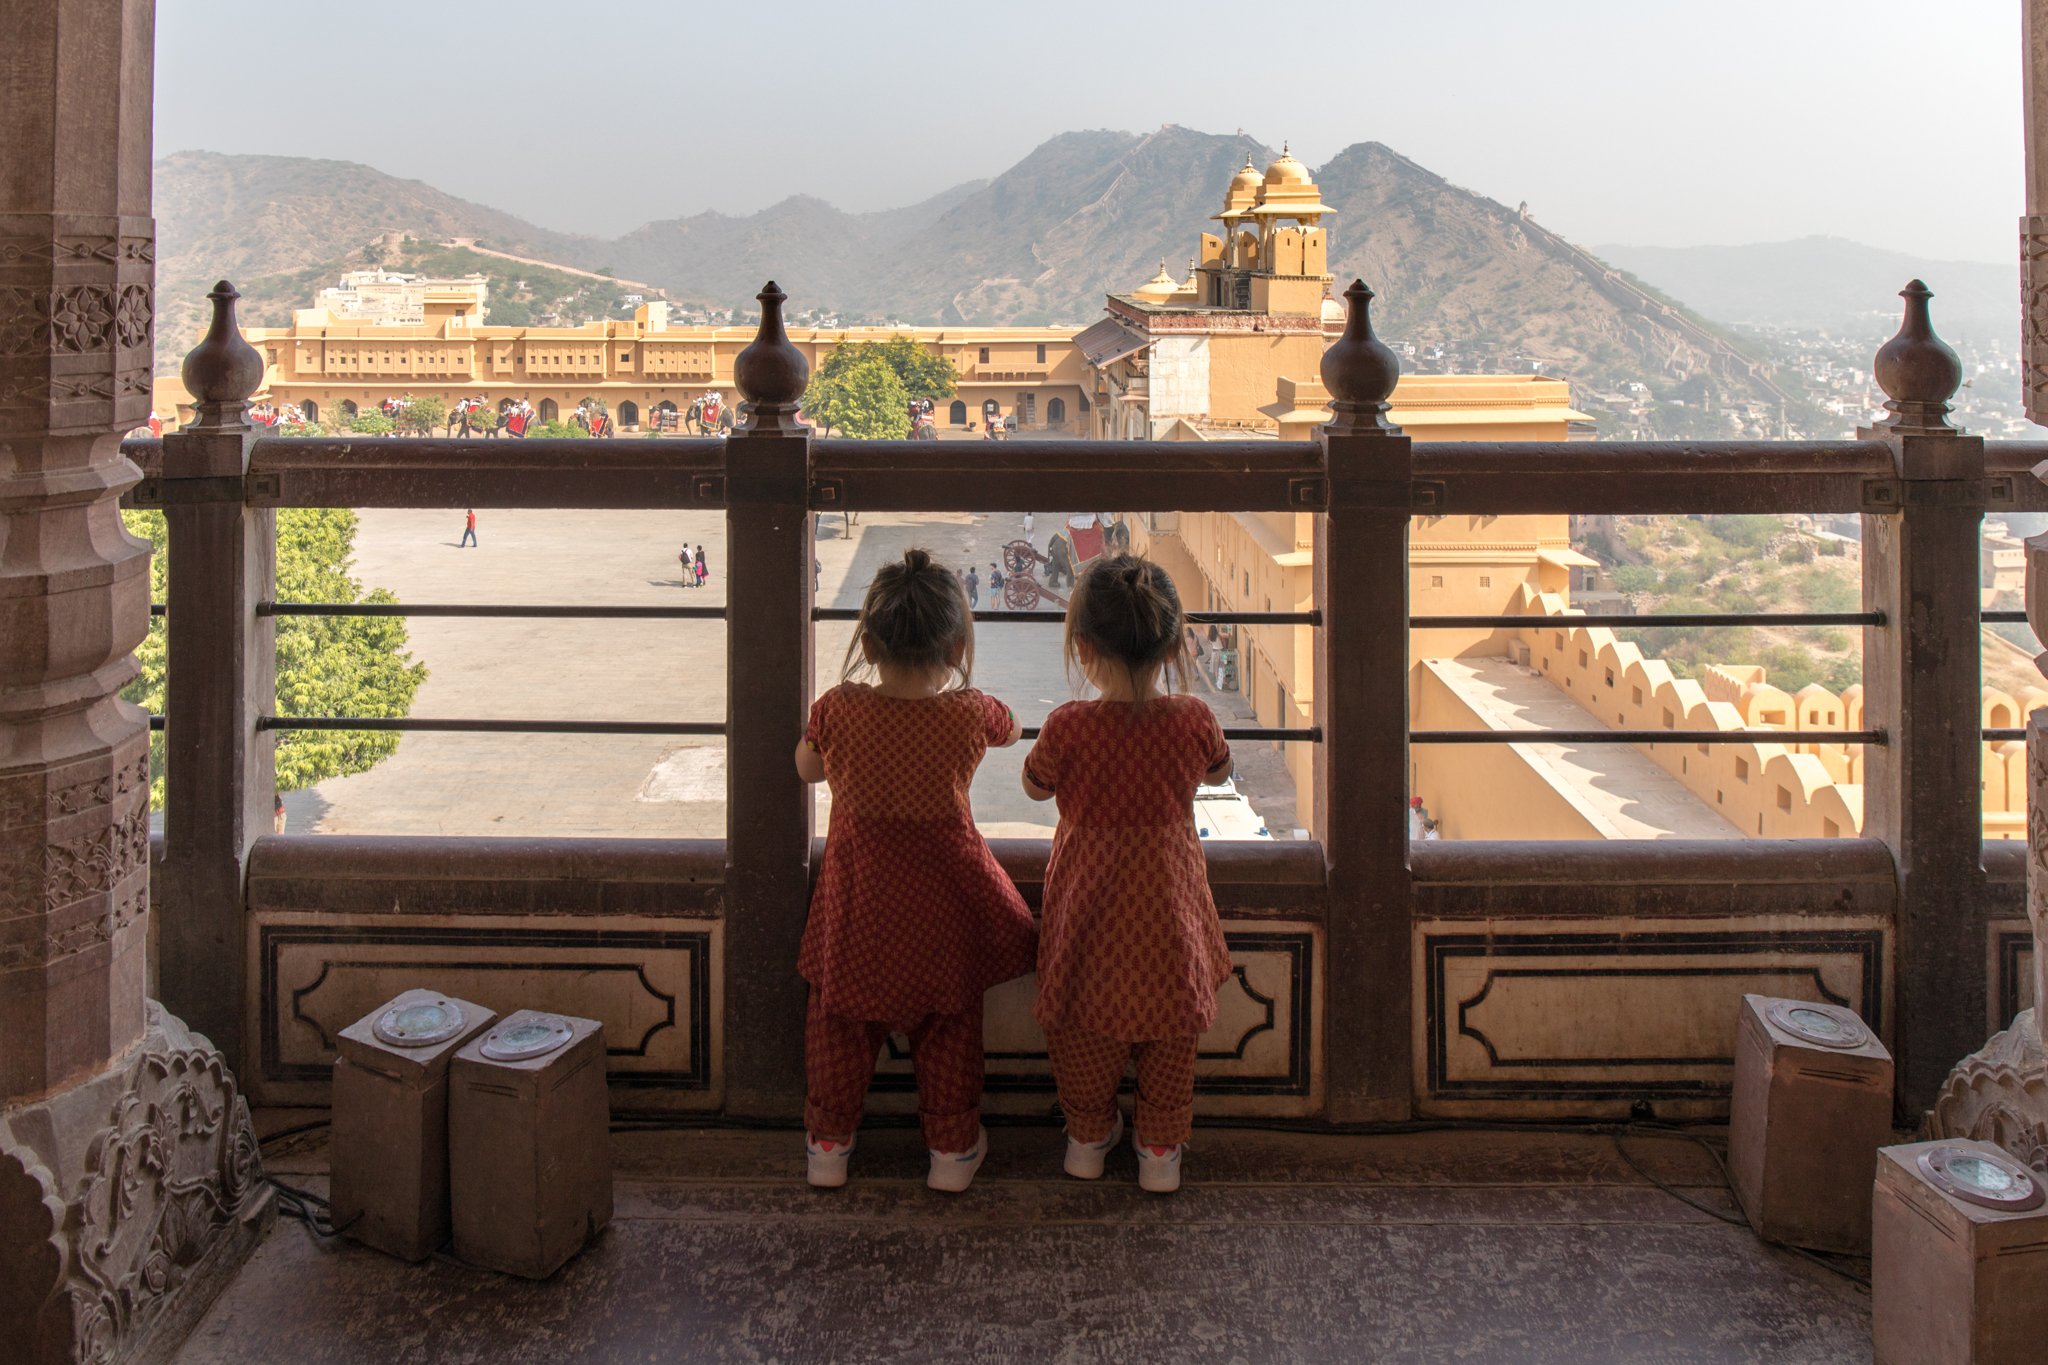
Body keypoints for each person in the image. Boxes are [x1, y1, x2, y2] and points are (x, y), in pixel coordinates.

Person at [794, 548, 1035, 1193]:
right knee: (950, 1023)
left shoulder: (839, 708)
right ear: (957, 645)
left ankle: (828, 1144)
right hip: (941, 908)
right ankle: (952, 1150)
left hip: (859, 899)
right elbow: (1010, 729)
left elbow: (807, 768)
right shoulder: (969, 713)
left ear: (867, 645)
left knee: (839, 1021)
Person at [1021, 554, 1232, 1195]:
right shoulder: (1192, 718)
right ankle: (1160, 1152)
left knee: (1083, 1033)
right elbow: (1220, 772)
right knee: (1172, 1035)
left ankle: (1086, 1139)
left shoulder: (1068, 726)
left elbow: (1033, 789)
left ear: (1082, 648)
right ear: (1172, 646)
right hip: (1169, 904)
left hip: (1090, 906)